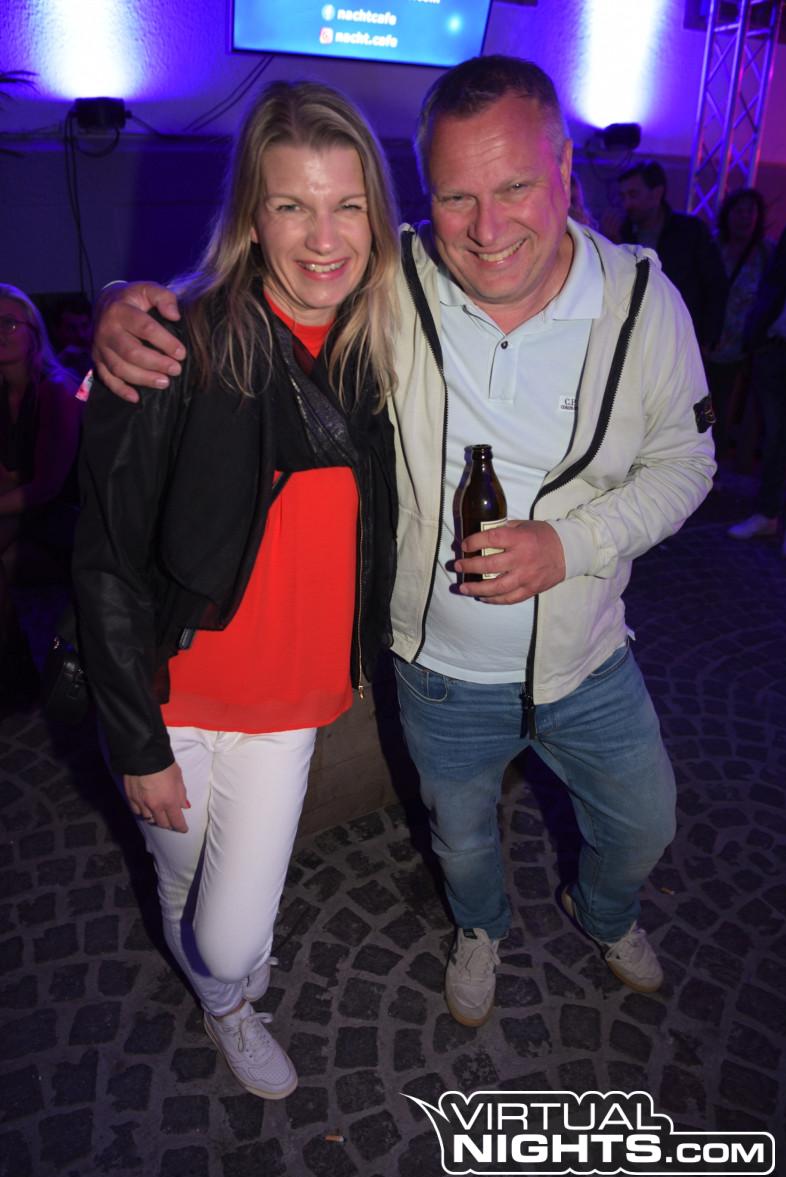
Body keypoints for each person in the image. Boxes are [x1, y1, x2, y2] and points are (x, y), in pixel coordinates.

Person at [91, 56, 716, 1030]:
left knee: (645, 824)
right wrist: (124, 304)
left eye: (515, 186)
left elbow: (687, 461)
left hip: (587, 653)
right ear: (425, 197)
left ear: (564, 166)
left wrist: (575, 542)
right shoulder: (397, 285)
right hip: (436, 669)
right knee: (458, 840)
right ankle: (477, 931)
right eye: (457, 196)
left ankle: (605, 912)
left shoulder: (640, 302)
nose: (488, 228)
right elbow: (257, 293)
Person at [72, 80, 398, 1098]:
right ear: (252, 218)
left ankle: (222, 989)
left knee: (227, 933)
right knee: (178, 878)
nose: (323, 239)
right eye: (292, 205)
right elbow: (105, 556)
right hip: (171, 697)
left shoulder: (383, 346)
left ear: (378, 219)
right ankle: (230, 1006)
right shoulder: (177, 346)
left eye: (347, 206)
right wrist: (136, 744)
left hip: (287, 705)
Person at [0, 284, 82, 708]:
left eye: (8, 323)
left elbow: (48, 487)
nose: (0, 332)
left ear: (34, 333)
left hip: (70, 522)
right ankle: (18, 677)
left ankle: (18, 678)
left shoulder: (56, 390)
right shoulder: (4, 394)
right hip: (27, 516)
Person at [728, 213, 786, 558]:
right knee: (775, 439)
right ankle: (768, 513)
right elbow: (773, 285)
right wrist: (757, 337)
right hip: (776, 346)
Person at [617, 160, 727, 351]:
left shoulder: (690, 231)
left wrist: (708, 338)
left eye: (633, 195)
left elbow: (715, 284)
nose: (627, 204)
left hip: (681, 337)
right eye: (623, 196)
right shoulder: (622, 233)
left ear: (656, 194)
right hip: (636, 339)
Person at [705, 188, 773, 460]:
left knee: (728, 405)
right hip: (710, 341)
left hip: (744, 345)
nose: (745, 217)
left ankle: (720, 457)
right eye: (739, 211)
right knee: (705, 403)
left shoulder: (766, 253)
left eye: (750, 211)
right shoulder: (713, 247)